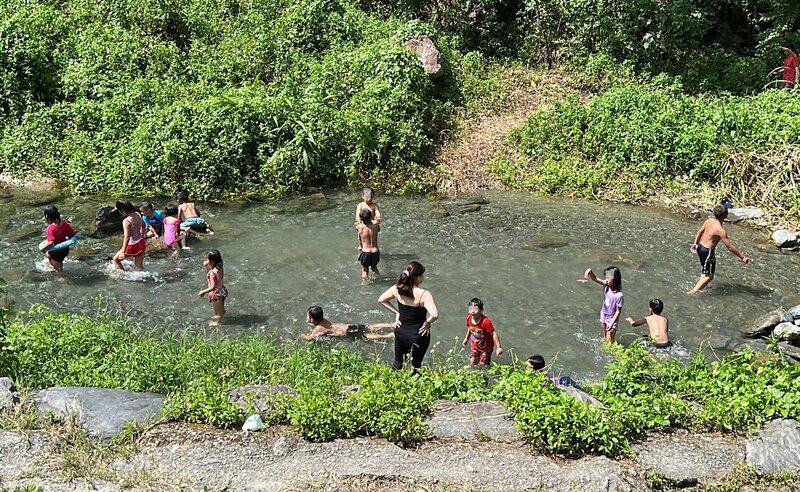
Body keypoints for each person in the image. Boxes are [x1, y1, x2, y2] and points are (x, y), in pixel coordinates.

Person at [378, 261, 438, 373]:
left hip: (401, 332)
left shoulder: (397, 289)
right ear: (418, 277)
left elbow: (381, 300)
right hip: (419, 334)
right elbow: (434, 315)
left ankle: (393, 384)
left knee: (398, 362)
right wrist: (428, 322)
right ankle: (414, 385)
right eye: (422, 275)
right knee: (416, 365)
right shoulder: (424, 294)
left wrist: (397, 312)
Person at [688, 204, 751, 295]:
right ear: (726, 216)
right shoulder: (720, 230)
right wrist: (742, 257)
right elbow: (730, 247)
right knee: (709, 277)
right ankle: (693, 293)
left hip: (701, 248)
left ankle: (700, 286)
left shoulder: (709, 220)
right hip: (708, 252)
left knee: (705, 271)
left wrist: (695, 243)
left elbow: (700, 232)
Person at [301, 305, 394, 341]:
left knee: (365, 336)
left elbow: (310, 339)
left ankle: (388, 336)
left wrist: (301, 335)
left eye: (307, 316)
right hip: (348, 326)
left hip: (347, 333)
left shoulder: (317, 329)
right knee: (369, 327)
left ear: (312, 320)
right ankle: (391, 325)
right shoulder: (324, 320)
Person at [582, 266, 623, 343]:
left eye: (608, 278)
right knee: (605, 337)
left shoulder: (619, 295)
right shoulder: (606, 285)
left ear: (615, 279)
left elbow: (618, 311)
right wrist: (590, 271)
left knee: (609, 339)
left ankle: (611, 351)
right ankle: (606, 344)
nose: (606, 280)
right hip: (604, 314)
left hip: (612, 319)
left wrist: (611, 323)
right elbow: (595, 279)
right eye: (606, 278)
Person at [462, 298, 503, 367]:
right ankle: (470, 374)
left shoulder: (485, 322)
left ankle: (483, 374)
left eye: (475, 309)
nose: (472, 312)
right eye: (470, 309)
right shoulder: (469, 318)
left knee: (483, 364)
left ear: (481, 310)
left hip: (486, 347)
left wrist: (498, 347)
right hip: (475, 344)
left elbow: (494, 334)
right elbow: (470, 328)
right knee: (472, 361)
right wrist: (466, 338)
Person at [39, 205, 76, 272]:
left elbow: (51, 242)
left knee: (59, 271)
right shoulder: (65, 224)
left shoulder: (50, 228)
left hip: (56, 253)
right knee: (48, 255)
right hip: (65, 250)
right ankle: (55, 265)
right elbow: (72, 234)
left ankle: (63, 279)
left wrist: (43, 249)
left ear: (47, 217)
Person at [112, 199, 146, 271]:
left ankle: (123, 275)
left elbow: (127, 237)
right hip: (141, 242)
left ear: (122, 210)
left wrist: (123, 252)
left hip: (132, 245)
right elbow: (143, 224)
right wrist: (142, 232)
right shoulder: (138, 214)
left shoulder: (126, 221)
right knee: (139, 267)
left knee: (115, 260)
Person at [198, 249, 227, 325]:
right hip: (222, 291)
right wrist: (207, 266)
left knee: (217, 313)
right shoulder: (219, 268)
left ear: (212, 262)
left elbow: (213, 286)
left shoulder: (212, 273)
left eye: (206, 259)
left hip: (216, 294)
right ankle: (221, 311)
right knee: (219, 308)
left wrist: (203, 292)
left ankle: (216, 323)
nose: (205, 261)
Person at [356, 208, 380, 280]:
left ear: (361, 219)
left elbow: (358, 230)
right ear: (371, 217)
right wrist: (375, 221)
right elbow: (378, 229)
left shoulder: (359, 227)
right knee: (374, 267)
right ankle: (378, 279)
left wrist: (360, 222)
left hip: (366, 252)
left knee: (365, 269)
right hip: (375, 252)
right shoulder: (376, 227)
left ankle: (365, 283)